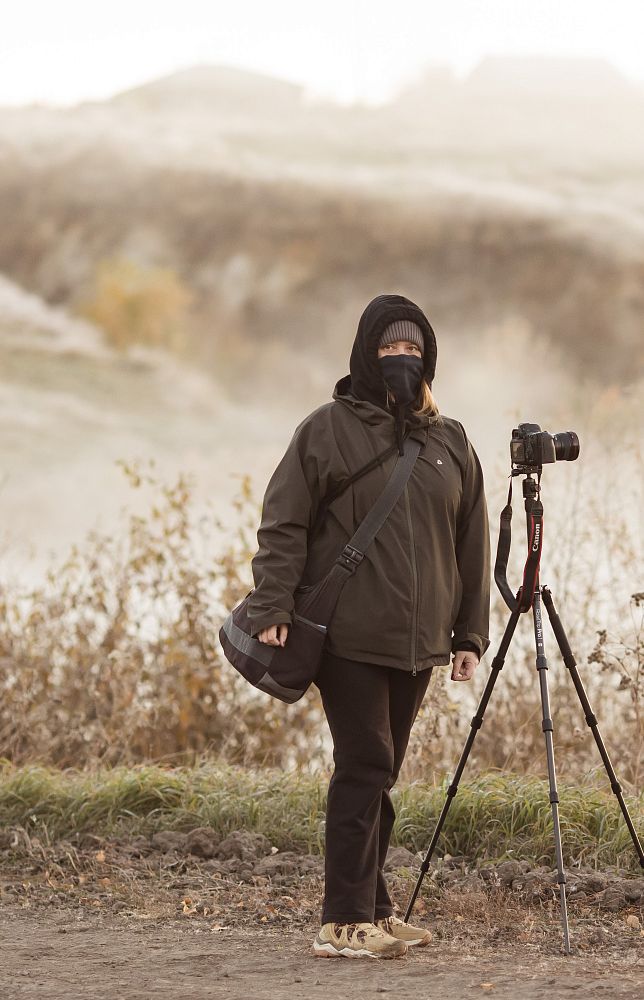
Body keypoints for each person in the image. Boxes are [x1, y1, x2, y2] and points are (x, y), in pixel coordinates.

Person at [247, 294, 490, 959]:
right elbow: (284, 522)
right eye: (389, 348)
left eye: (414, 350)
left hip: (417, 642)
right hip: (347, 634)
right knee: (366, 763)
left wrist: (468, 635)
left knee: (382, 773)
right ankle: (342, 919)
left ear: (429, 359)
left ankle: (376, 911)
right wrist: (271, 607)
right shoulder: (327, 430)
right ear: (365, 353)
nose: (402, 359)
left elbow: (471, 542)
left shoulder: (450, 440)